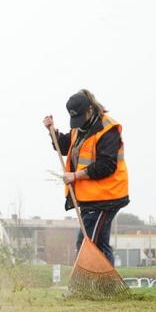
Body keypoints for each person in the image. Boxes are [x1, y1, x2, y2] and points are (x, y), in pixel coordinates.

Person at [43, 89, 129, 264]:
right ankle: (106, 288)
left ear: (90, 109)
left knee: (88, 242)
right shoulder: (80, 127)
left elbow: (107, 165)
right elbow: (66, 147)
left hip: (107, 196)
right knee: (97, 243)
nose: (78, 124)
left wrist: (75, 176)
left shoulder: (108, 129)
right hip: (90, 197)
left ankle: (94, 285)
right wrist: (52, 132)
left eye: (81, 117)